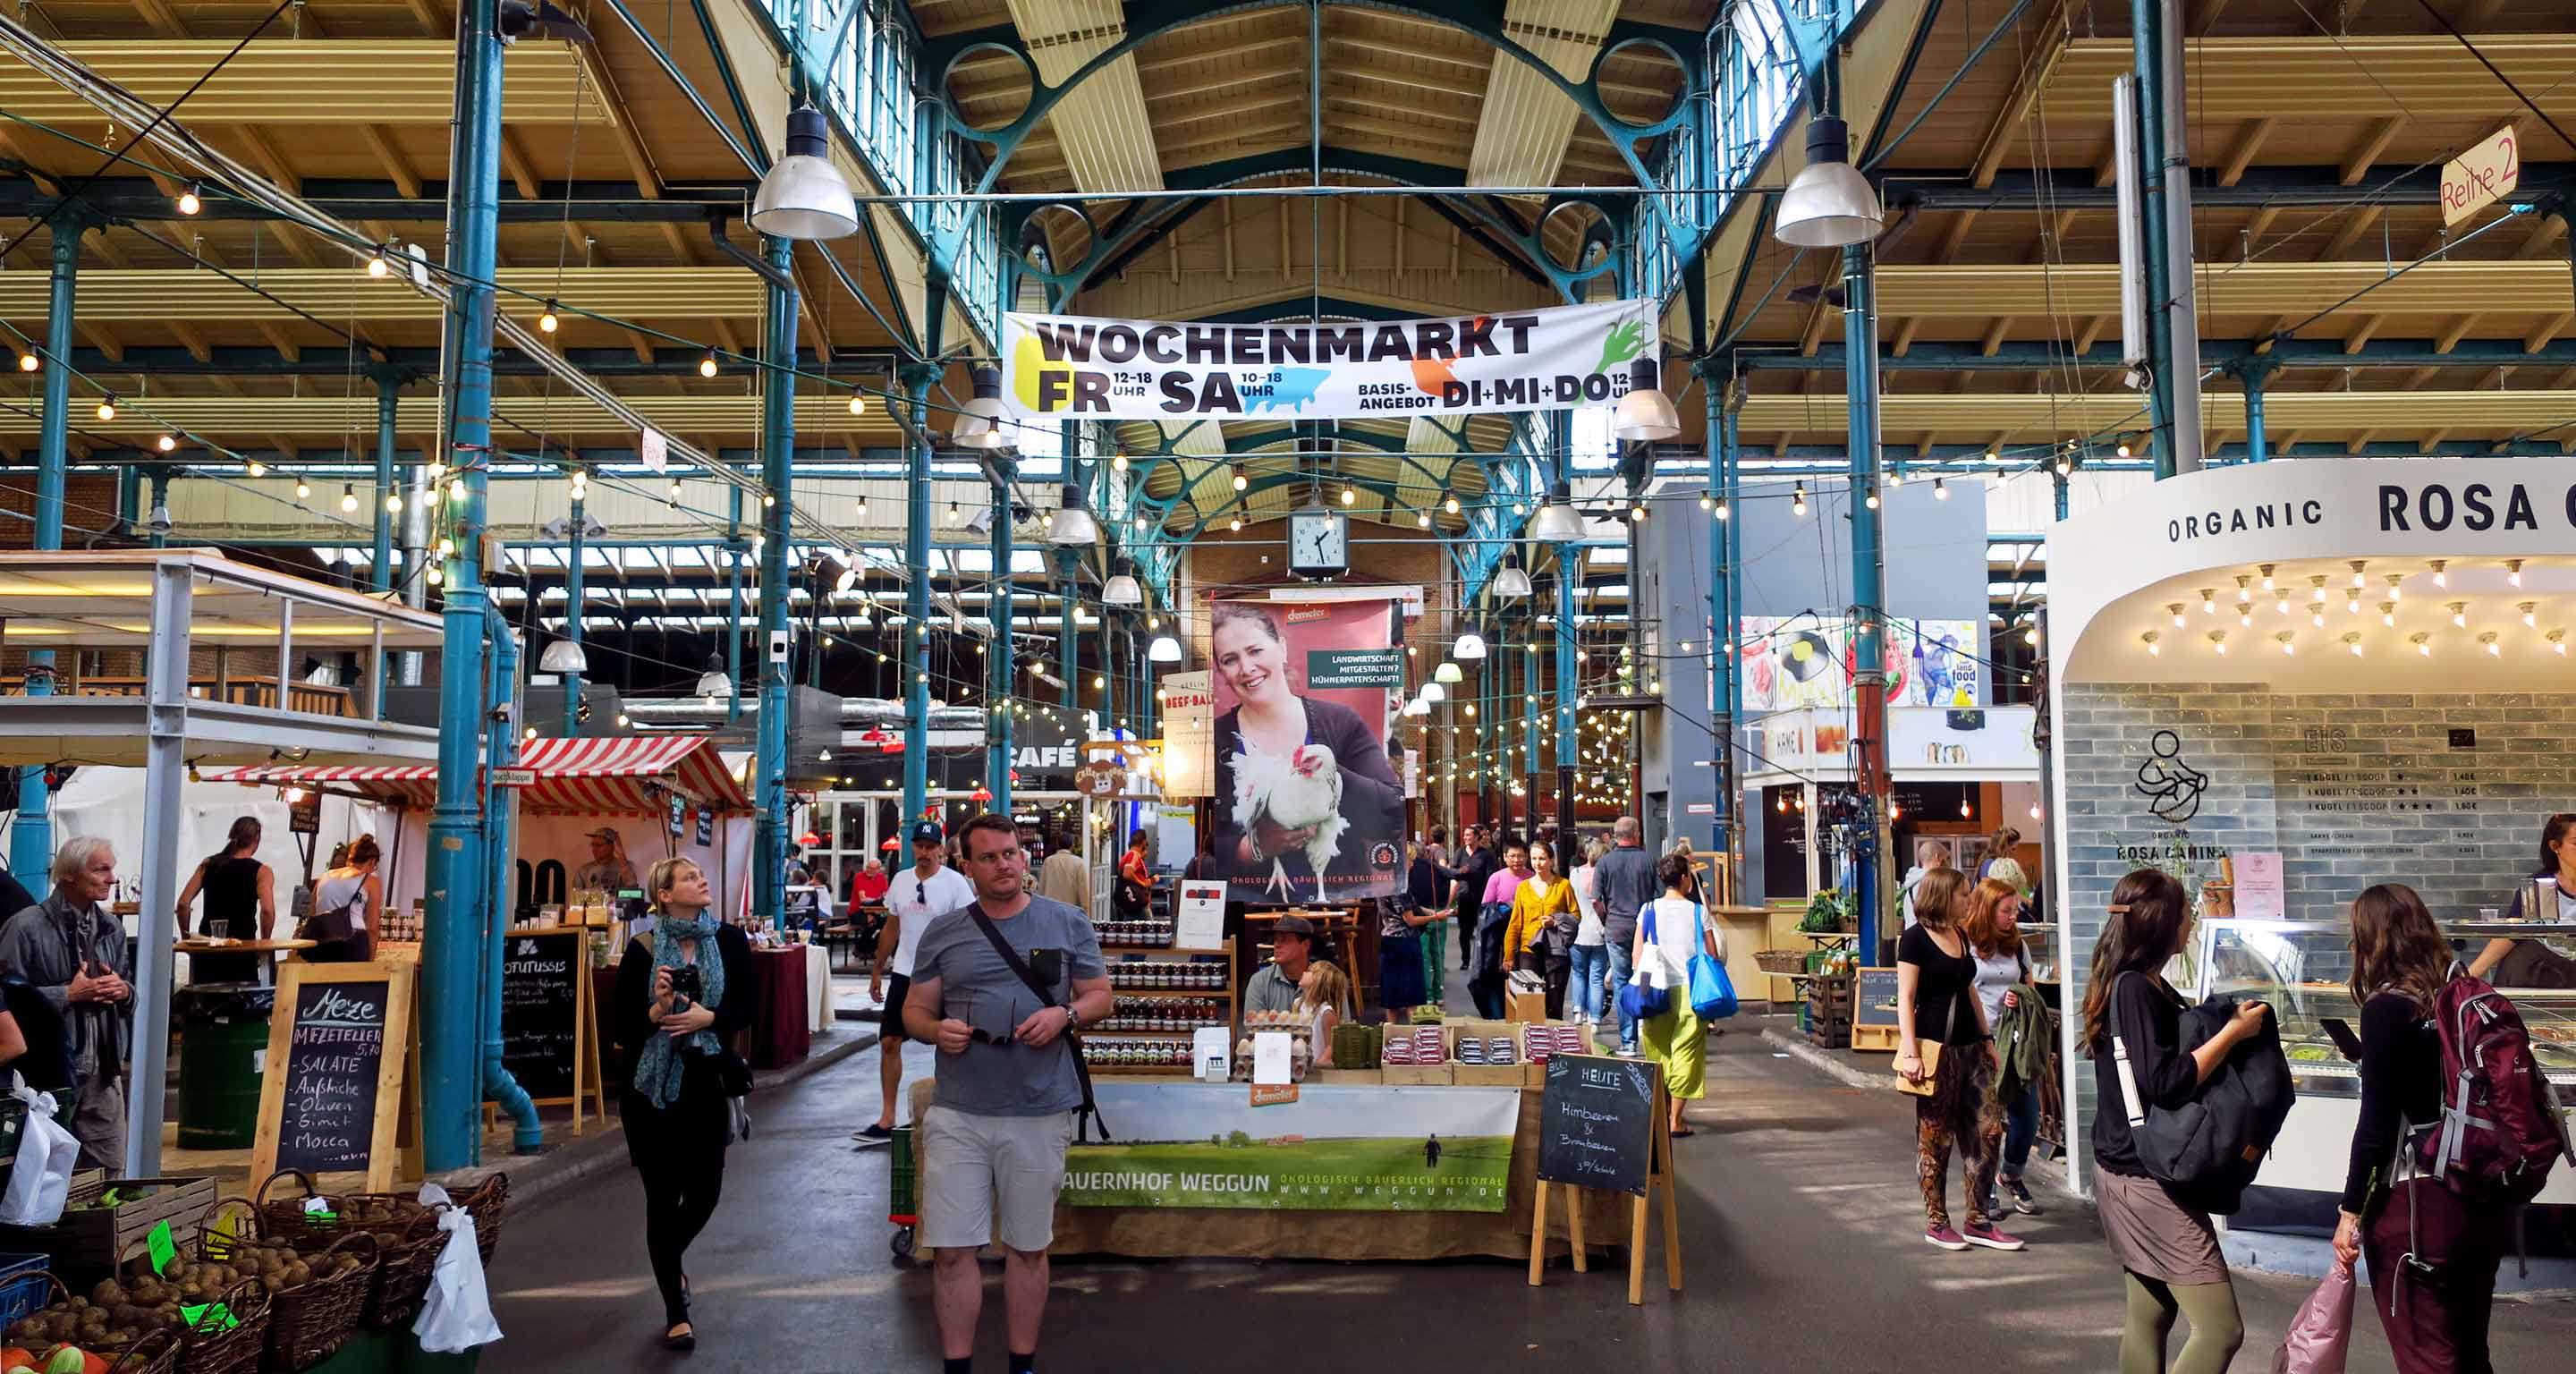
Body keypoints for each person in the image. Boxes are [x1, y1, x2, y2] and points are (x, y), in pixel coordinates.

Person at [904, 812, 1112, 1374]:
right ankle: (957, 1367)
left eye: (1011, 853)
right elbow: (915, 1010)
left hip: (1039, 1109)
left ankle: (1023, 1364)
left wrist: (1064, 1014)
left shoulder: (1067, 922)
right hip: (959, 1113)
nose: (1004, 865)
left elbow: (1099, 996)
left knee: (1027, 1247)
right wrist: (933, 1029)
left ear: (1025, 857)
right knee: (951, 1251)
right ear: (966, 867)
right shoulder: (944, 932)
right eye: (989, 857)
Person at [2083, 868, 2267, 1374]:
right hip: (2143, 1176)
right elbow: (2165, 1080)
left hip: (2126, 1167)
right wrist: (2232, 1033)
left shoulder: (2137, 983)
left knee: (2151, 1309)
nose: (2192, 923)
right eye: (2188, 914)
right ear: (2166, 924)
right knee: (2221, 1328)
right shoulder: (2134, 990)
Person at [2333, 883, 2508, 1372]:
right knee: (2470, 1352)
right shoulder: (2462, 995)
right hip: (2480, 1194)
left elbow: (2378, 1124)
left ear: (2373, 940)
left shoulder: (2387, 1009)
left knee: (2428, 1356)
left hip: (2419, 1206)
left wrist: (2351, 1210)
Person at [609, 857, 753, 1352]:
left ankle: (668, 1260)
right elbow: (622, 1026)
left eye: (700, 875)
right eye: (690, 878)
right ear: (665, 895)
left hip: (705, 1080)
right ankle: (676, 1309)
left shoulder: (730, 941)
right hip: (650, 1090)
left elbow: (747, 1007)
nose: (702, 881)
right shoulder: (643, 948)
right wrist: (657, 1009)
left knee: (706, 1192)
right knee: (661, 1197)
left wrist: (706, 1018)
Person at [1207, 602, 1405, 895]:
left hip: (1341, 904)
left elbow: (1393, 811)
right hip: (1246, 907)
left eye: (1255, 651)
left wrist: (1328, 773)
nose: (1247, 668)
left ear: (1282, 648)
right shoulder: (1216, 739)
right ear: (1221, 672)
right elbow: (1203, 838)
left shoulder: (1341, 723)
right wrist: (1250, 848)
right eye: (1230, 659)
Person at [1895, 866, 2025, 1252]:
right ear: (1943, 896)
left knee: (1989, 1130)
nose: (1969, 901)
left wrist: (1987, 1039)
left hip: (1972, 1048)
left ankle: (1979, 1219)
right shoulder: (1914, 940)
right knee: (1936, 1139)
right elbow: (1906, 996)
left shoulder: (1961, 934)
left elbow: (1969, 989)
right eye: (1963, 894)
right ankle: (1937, 1221)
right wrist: (1910, 1051)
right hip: (1936, 1050)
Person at [0, 836, 135, 1172]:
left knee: (110, 1170)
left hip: (104, 1070)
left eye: (111, 869)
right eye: (101, 869)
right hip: (47, 1075)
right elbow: (8, 1000)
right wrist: (69, 995)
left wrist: (124, 991)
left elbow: (131, 989)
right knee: (48, 1171)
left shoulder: (112, 928)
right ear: (71, 874)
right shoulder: (25, 927)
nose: (111, 878)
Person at [854, 822, 976, 1149]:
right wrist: (878, 970)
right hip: (905, 973)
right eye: (919, 846)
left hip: (945, 975)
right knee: (890, 1040)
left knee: (949, 1042)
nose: (924, 852)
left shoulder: (956, 885)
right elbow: (892, 927)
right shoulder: (900, 880)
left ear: (941, 849)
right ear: (913, 848)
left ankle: (952, 1112)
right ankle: (887, 1117)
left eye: (929, 846)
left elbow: (969, 930)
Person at [1963, 876, 2046, 1217]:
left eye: (2015, 909)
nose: (2013, 916)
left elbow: (2031, 987)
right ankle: (1984, 1190)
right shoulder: (1965, 944)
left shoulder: (2017, 945)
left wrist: (2022, 997)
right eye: (2006, 910)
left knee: (2028, 1117)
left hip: (2014, 1045)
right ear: (1986, 909)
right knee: (1988, 1122)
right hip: (1979, 1045)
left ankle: (2010, 1174)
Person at [1637, 851, 1724, 1138]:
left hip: (1654, 989)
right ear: (1685, 879)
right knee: (1686, 1051)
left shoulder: (1647, 910)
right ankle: (1675, 1119)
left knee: (1658, 1049)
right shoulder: (1699, 912)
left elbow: (1637, 957)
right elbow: (1712, 955)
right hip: (1692, 990)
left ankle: (1660, 1114)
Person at [2468, 812, 2576, 985]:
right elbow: (2513, 932)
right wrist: (2469, 976)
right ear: (2555, 846)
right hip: (2548, 972)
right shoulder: (2539, 885)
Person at [174, 816, 277, 984]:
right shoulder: (262, 871)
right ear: (256, 840)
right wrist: (264, 943)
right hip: (243, 952)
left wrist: (187, 940)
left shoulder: (208, 864)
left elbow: (183, 904)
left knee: (205, 1004)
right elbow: (267, 910)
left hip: (208, 951)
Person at [1594, 817, 1657, 1056]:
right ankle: (1647, 1030)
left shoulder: (1605, 862)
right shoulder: (1649, 861)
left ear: (1615, 834)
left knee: (1621, 983)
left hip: (1616, 929)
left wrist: (1606, 920)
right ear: (1637, 834)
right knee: (1645, 980)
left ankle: (1628, 1042)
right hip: (1646, 930)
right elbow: (1659, 896)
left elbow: (1596, 900)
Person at [1504, 841, 1578, 1018]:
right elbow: (1515, 923)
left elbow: (1575, 916)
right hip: (1528, 949)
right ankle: (1532, 1041)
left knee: (1554, 1001)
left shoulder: (1563, 885)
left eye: (1542, 859)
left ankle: (1553, 1041)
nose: (1537, 863)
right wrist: (1508, 956)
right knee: (1529, 1003)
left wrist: (1554, 921)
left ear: (1551, 860)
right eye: (1534, 858)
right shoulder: (1523, 887)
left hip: (1556, 950)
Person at [1469, 839, 1533, 1018]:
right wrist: (1505, 909)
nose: (1517, 860)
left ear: (1526, 857)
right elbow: (1485, 911)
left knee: (1522, 980)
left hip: (1525, 939)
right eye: (1512, 856)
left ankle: (1520, 1018)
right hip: (1497, 940)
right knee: (1496, 980)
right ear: (1504, 858)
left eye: (1520, 856)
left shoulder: (1531, 878)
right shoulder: (1496, 878)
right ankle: (1498, 1018)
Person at [301, 835, 383, 964]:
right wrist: (370, 962)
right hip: (353, 944)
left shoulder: (324, 877)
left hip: (322, 942)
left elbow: (312, 913)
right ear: (372, 861)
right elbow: (372, 926)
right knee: (351, 984)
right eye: (374, 867)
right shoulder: (371, 882)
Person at [1378, 844, 1436, 1020]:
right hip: (1404, 942)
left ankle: (1391, 1036)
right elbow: (1410, 920)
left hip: (1388, 941)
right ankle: (1414, 1036)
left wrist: (1429, 912)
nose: (1412, 865)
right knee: (1412, 994)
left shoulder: (1384, 881)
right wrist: (1436, 917)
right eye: (1410, 861)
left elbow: (1412, 908)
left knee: (1391, 995)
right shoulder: (1399, 886)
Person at [1436, 825, 1496, 982]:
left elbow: (1491, 877)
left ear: (1477, 837)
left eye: (1469, 835)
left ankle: (1483, 961)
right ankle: (1465, 961)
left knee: (1483, 931)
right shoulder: (1460, 852)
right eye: (1465, 835)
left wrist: (1491, 898)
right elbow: (1451, 872)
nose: (1466, 838)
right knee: (1464, 932)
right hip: (1464, 898)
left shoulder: (1487, 855)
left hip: (1482, 898)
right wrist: (1460, 873)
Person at [1569, 837, 1611, 1028]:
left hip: (1578, 931)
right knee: (1596, 977)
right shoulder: (1604, 875)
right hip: (1599, 932)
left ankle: (1578, 1011)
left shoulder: (1575, 874)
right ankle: (1594, 1018)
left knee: (1578, 973)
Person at [1244, 913, 1318, 1014]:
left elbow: (1341, 1026)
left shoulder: (1326, 981)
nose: (1277, 945)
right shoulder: (1259, 982)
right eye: (1275, 939)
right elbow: (1254, 1027)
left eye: (1284, 939)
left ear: (1305, 945)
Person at [1293, 959, 1354, 1062]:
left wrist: (1316, 1067)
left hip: (1318, 1070)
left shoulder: (1326, 1012)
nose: (1304, 972)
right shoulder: (1298, 1004)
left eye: (1309, 971)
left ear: (1318, 981)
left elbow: (1331, 1047)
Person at [1900, 839, 1955, 927]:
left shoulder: (1911, 885)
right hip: (1928, 937)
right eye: (1946, 859)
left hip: (1913, 936)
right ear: (1937, 858)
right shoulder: (1934, 885)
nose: (1949, 864)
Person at [576, 826, 640, 894]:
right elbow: (575, 900)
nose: (594, 849)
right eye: (593, 845)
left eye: (598, 845)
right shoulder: (584, 870)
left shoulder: (627, 866)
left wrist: (621, 854)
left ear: (612, 846)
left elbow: (633, 892)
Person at [1114, 828, 1155, 918]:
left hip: (1130, 904)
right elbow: (1127, 874)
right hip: (1138, 905)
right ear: (1143, 842)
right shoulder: (1134, 855)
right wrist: (1143, 883)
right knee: (1149, 930)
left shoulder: (1127, 856)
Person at [1036, 842, 1089, 913]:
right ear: (1072, 846)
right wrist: (1086, 913)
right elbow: (1083, 891)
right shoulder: (1079, 863)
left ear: (1058, 845)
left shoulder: (1048, 861)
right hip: (1070, 911)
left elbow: (1041, 887)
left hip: (1050, 911)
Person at [1981, 826, 2031, 897]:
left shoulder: (2009, 866)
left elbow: (2022, 888)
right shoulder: (1989, 864)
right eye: (2013, 849)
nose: (2014, 853)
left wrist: (2030, 896)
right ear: (2003, 846)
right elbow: (1988, 893)